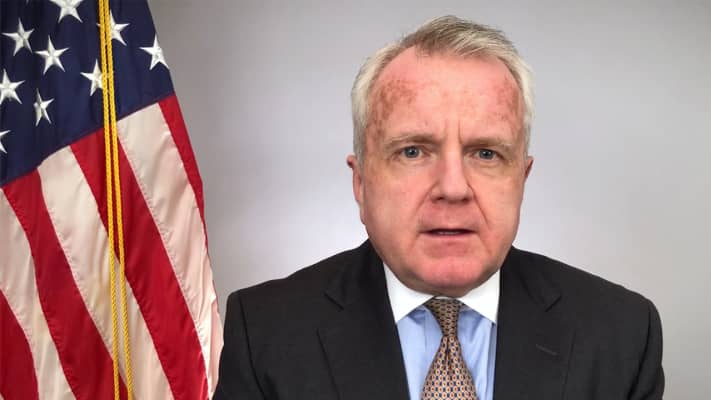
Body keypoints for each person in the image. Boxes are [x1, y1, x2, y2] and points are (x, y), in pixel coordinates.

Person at [214, 15, 664, 400]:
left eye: (486, 153)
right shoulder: (266, 334)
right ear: (360, 181)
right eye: (412, 151)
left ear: (521, 180)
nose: (453, 188)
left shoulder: (622, 334)